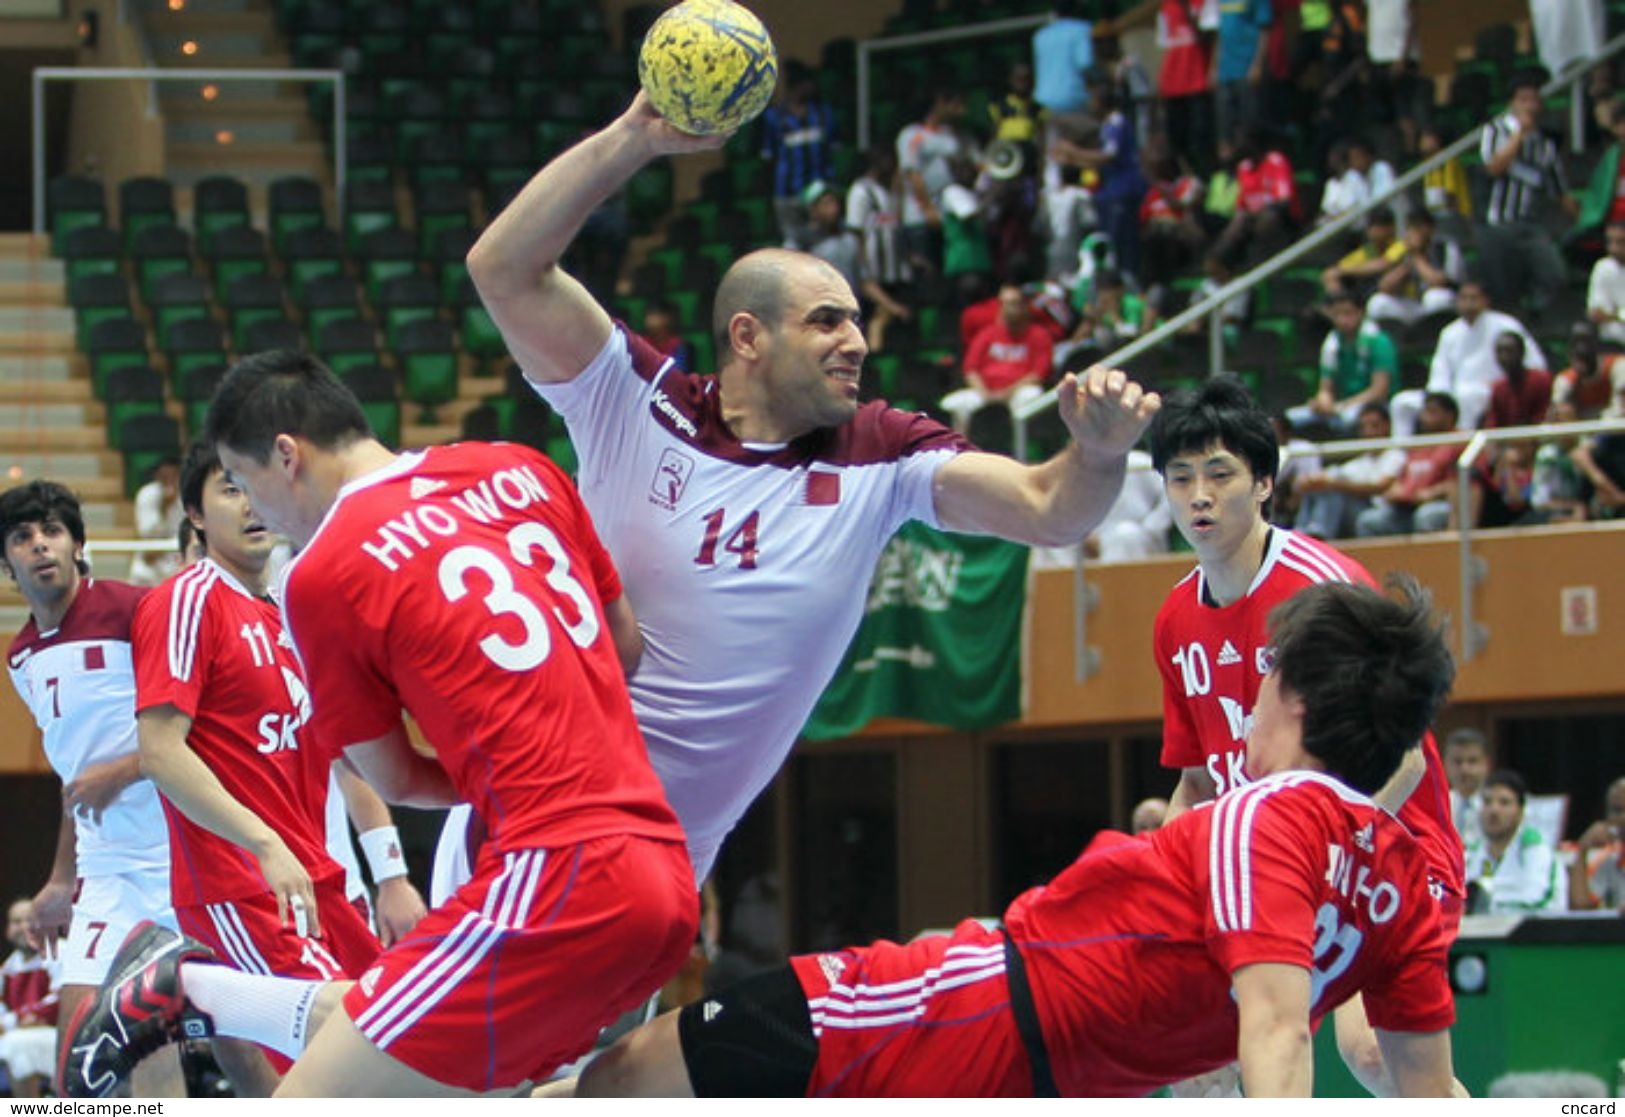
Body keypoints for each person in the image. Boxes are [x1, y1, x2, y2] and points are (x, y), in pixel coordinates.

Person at [461, 89, 1158, 887]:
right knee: (406, 1015)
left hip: (665, 866)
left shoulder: (880, 454)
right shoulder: (632, 401)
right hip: (530, 817)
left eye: (857, 321)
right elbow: (502, 268)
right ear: (747, 336)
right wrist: (632, 139)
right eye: (826, 321)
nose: (856, 342)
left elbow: (1047, 509)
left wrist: (1098, 453)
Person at [63, 348, 698, 1099]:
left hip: (556, 871)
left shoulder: (318, 572)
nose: (259, 514)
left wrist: (483, 775)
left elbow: (389, 775)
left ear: (285, 456)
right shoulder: (519, 465)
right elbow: (622, 646)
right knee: (503, 1090)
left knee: (328, 1096)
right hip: (665, 864)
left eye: (249, 485)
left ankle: (189, 989)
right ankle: (193, 989)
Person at [571, 578, 1461, 1099]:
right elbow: (1421, 1087)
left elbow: (1275, 1030)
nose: (1248, 703)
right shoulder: (1407, 883)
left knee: (626, 1076)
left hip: (968, 1012)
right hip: (1060, 1075)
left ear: (1296, 697)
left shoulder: (1269, 813)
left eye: (1262, 679)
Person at [1146, 378, 1462, 1098]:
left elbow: (1405, 757)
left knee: (1378, 1055)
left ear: (1263, 483)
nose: (1198, 494)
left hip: (1382, 853)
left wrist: (1320, 864)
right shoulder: (1172, 620)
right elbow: (1197, 783)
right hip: (1272, 868)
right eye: (1180, 477)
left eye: (1219, 474)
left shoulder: (1322, 591)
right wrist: (1152, 876)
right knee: (1198, 1058)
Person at [126, 440, 391, 1094]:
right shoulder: (187, 599)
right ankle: (168, 988)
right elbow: (160, 749)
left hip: (317, 881)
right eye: (228, 488)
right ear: (193, 511)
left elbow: (348, 755)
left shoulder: (285, 613)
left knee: (407, 1041)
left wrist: (389, 870)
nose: (250, 504)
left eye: (254, 485)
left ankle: (185, 993)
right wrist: (265, 843)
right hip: (239, 884)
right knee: (361, 1056)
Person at [0, 480, 180, 1096]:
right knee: (77, 1049)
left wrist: (123, 771)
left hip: (179, 855)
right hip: (104, 872)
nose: (40, 545)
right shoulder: (20, 658)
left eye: (52, 531)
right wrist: (59, 879)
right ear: (7, 563)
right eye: (22, 537)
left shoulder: (138, 609)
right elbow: (71, 777)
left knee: (157, 1039)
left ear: (79, 545)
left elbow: (203, 725)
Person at [1479, 73, 1576, 323]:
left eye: (1534, 100)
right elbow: (1493, 167)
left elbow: (1559, 191)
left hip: (1531, 226)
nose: (1530, 106)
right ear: (1512, 103)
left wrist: (1583, 217)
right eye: (1524, 100)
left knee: (1555, 274)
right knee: (1502, 289)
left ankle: (1534, 312)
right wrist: (1519, 135)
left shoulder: (1545, 145)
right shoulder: (1495, 130)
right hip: (1498, 223)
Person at [1392, 278, 1545, 435]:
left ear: (1485, 301)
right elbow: (1440, 371)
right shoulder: (1450, 332)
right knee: (1401, 402)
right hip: (1452, 394)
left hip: (1489, 390)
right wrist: (1439, 397)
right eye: (1464, 299)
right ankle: (1401, 454)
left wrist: (1503, 384)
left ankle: (1463, 447)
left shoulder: (1506, 325)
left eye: (1473, 298)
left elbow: (1534, 365)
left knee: (1467, 395)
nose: (1468, 304)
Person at [942, 283, 1055, 436]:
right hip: (986, 393)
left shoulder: (1039, 335)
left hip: (1017, 392)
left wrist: (1006, 393)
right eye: (1004, 304)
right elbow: (970, 370)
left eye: (1013, 304)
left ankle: (1020, 449)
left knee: (1031, 395)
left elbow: (1038, 375)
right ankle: (963, 452)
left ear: (1024, 306)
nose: (1008, 309)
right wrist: (985, 393)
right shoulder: (987, 334)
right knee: (951, 404)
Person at [1355, 391, 1463, 537]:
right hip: (1408, 507)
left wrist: (1431, 494)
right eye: (1424, 412)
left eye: (1432, 412)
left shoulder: (1459, 442)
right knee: (1368, 521)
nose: (1424, 417)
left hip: (1442, 504)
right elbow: (1402, 479)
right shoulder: (1419, 445)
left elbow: (1462, 482)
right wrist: (1397, 491)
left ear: (1449, 416)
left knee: (1425, 516)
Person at [1291, 403, 1405, 539]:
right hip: (1356, 512)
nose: (1369, 433)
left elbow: (1380, 487)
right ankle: (1301, 532)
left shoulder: (1396, 455)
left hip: (1382, 511)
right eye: (1364, 427)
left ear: (1387, 426)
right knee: (1319, 485)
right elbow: (1333, 475)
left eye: (1374, 426)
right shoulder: (1361, 461)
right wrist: (1311, 480)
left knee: (1332, 488)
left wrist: (1334, 484)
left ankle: (1320, 533)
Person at [1288, 293, 1397, 433]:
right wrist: (1323, 402)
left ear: (1361, 313)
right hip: (1340, 407)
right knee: (1290, 419)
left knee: (1349, 418)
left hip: (1374, 406)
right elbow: (1325, 388)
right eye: (1336, 314)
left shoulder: (1379, 341)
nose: (1342, 319)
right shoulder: (1332, 343)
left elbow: (1379, 391)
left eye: (1347, 313)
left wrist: (1341, 406)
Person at [1464, 769, 1565, 914]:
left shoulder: (1534, 845)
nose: (1494, 810)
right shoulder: (1472, 851)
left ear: (1521, 811)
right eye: (1487, 802)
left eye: (1504, 802)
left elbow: (1538, 902)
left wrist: (1485, 902)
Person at [760, 64, 837, 244]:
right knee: (792, 246)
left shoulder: (823, 113)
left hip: (819, 192)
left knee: (823, 245)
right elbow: (768, 158)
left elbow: (831, 152)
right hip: (787, 194)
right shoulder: (774, 117)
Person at [0, 899, 57, 1097]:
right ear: (7, 930)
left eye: (30, 919)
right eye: (17, 921)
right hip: (21, 1034)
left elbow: (59, 1000)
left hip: (59, 1033)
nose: (24, 926)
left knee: (15, 1044)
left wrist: (12, 1020)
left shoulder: (59, 953)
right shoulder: (6, 969)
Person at [1366, 210, 1463, 326]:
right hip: (1417, 304)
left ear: (1430, 229)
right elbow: (1385, 286)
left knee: (1434, 298)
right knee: (1377, 302)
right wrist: (1408, 261)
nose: (1415, 232)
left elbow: (1438, 281)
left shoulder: (1444, 247)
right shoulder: (1404, 249)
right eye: (1411, 227)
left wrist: (1417, 255)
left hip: (1450, 299)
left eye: (1418, 227)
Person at [1211, 0, 1273, 148]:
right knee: (1224, 122)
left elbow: (1265, 31)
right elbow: (1220, 33)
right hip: (1225, 70)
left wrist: (1257, 64)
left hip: (1246, 66)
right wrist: (1214, 67)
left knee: (1249, 121)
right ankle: (1227, 161)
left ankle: (1249, 158)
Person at [1320, 207, 1406, 303]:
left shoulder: (1401, 244)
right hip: (1374, 299)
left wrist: (1344, 270)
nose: (1376, 230)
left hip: (1403, 298)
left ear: (1392, 228)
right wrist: (1338, 272)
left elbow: (1383, 264)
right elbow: (1336, 270)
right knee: (1331, 275)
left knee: (1379, 301)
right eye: (1374, 225)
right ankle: (1342, 308)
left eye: (1382, 226)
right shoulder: (1367, 250)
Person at [1568, 776, 1625, 911]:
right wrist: (1582, 849)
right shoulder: (1610, 861)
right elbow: (1581, 908)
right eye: (1617, 810)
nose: (1623, 818)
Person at [128, 458, 183, 587]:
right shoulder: (146, 494)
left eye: (173, 476)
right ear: (157, 477)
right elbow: (146, 533)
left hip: (176, 561)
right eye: (165, 477)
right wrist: (164, 507)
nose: (169, 481)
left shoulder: (187, 497)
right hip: (149, 564)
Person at [1483, 332, 1553, 428]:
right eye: (1499, 351)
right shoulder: (1498, 389)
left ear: (1522, 352)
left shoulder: (1540, 380)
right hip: (1508, 440)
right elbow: (1493, 425)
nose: (1504, 357)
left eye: (1509, 351)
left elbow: (1543, 417)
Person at [1558, 323, 1618, 422]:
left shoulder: (1617, 367)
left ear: (1597, 344)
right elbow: (1562, 416)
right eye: (1576, 342)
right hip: (1583, 432)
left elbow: (1621, 409)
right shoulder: (1565, 380)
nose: (1581, 349)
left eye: (1586, 342)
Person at [1442, 728, 1492, 844]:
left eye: (1472, 761)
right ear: (1445, 764)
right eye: (1457, 762)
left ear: (1487, 764)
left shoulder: (1498, 807)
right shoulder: (1437, 805)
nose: (1464, 769)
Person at [1585, 221, 1625, 347]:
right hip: (1611, 345)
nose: (1614, 249)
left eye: (1620, 242)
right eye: (1610, 242)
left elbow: (1606, 315)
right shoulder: (1602, 268)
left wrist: (1615, 315)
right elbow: (1596, 314)